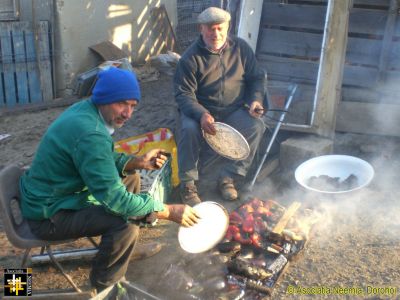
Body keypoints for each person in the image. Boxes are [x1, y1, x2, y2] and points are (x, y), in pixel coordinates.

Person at [19, 67, 200, 292]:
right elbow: (116, 199)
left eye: (133, 105)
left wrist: (138, 162)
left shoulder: (86, 111)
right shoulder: (90, 133)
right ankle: (106, 286)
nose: (128, 113)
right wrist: (169, 211)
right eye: (122, 104)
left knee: (132, 180)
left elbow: (101, 158)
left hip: (49, 197)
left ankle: (119, 249)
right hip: (46, 216)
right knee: (125, 220)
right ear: (104, 99)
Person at [174, 7, 266, 205]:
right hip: (199, 112)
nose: (215, 33)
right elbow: (183, 94)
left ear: (228, 27)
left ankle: (228, 177)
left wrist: (255, 101)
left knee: (256, 126)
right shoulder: (189, 58)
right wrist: (201, 114)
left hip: (233, 110)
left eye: (219, 28)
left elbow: (256, 78)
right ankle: (188, 185)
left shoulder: (241, 48)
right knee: (188, 130)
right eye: (210, 29)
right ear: (201, 28)